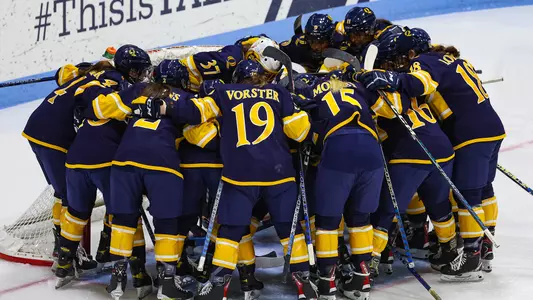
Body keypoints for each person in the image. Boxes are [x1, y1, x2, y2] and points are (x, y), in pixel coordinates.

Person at [133, 59, 316, 300]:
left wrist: (164, 108)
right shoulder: (278, 92)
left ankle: (219, 282)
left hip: (240, 174)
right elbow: (300, 133)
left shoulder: (224, 93)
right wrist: (300, 110)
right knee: (288, 228)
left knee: (230, 229)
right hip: (278, 173)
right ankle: (304, 281)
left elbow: (196, 112)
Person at [358, 28, 505, 281]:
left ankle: (471, 256)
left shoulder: (422, 62)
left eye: (402, 58)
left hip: (469, 134)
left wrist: (391, 79)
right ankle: (485, 245)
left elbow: (418, 83)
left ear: (412, 53)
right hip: (492, 127)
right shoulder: (450, 58)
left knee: (468, 195)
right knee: (483, 189)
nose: (401, 64)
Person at [355, 32, 457, 281]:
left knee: (387, 210)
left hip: (411, 152)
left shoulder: (381, 92)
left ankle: (371, 260)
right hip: (443, 150)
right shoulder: (408, 86)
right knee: (440, 205)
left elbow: (381, 124)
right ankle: (449, 251)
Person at [54, 45, 153, 294]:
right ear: (129, 70)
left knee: (76, 212)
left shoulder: (100, 79)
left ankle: (64, 264)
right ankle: (139, 274)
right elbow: (118, 111)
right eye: (139, 71)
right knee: (126, 215)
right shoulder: (120, 85)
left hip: (75, 159)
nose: (141, 75)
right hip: (105, 159)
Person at [293, 73, 384, 300]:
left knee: (328, 221)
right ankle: (361, 280)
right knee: (361, 219)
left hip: (339, 150)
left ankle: (327, 282)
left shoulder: (309, 90)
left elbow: (303, 130)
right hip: (372, 150)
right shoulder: (358, 88)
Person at [22, 60, 103, 266]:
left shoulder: (76, 76)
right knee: (69, 194)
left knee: (61, 192)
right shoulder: (95, 84)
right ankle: (66, 248)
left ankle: (62, 243)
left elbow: (63, 72)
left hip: (35, 130)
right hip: (53, 138)